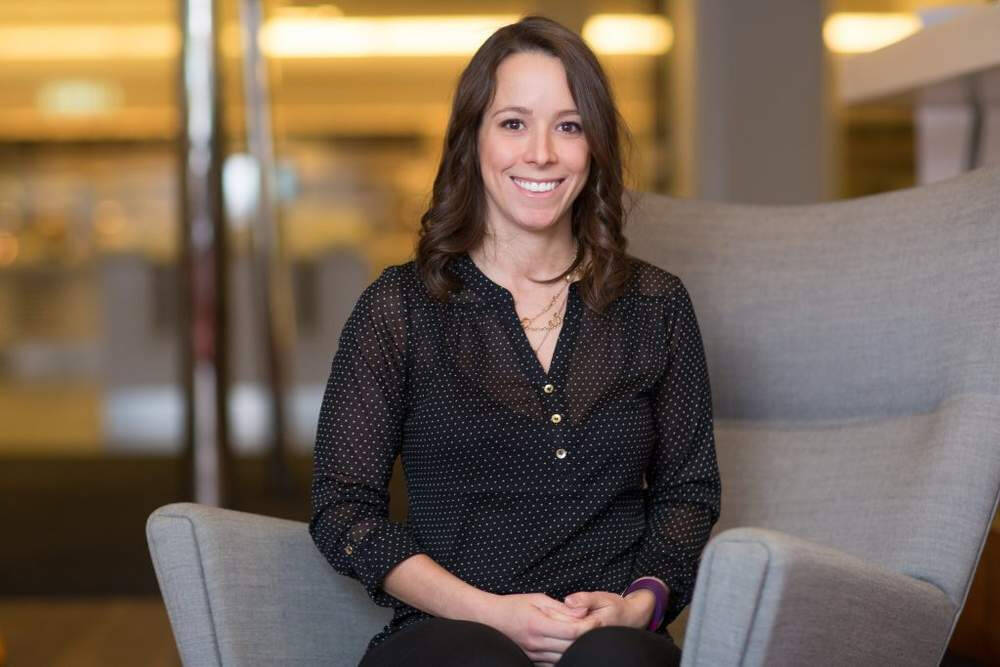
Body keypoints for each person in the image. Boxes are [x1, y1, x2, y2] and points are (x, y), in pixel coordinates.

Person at [309, 15, 721, 667]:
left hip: (610, 636)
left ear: (595, 147)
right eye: (513, 123)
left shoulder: (656, 305)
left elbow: (687, 493)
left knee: (618, 660)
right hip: (450, 630)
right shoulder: (402, 307)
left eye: (568, 125)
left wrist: (639, 603)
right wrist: (491, 612)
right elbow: (342, 510)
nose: (541, 153)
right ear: (472, 140)